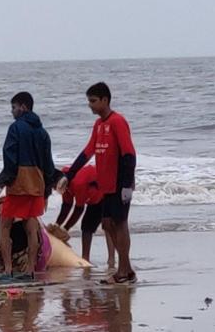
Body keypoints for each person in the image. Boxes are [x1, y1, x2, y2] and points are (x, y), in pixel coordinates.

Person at [57, 82, 136, 284]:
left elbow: (129, 154)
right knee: (107, 224)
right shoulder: (99, 125)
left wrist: (127, 184)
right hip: (105, 185)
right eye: (88, 101)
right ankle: (126, 269)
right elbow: (88, 151)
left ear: (105, 100)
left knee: (120, 224)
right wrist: (70, 175)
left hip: (119, 184)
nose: (90, 105)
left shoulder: (118, 122)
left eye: (93, 101)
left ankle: (124, 271)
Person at [0, 92, 56, 280]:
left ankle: (8, 269)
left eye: (14, 107)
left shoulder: (15, 128)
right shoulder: (43, 133)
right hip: (37, 183)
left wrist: (1, 182)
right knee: (31, 225)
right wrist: (46, 191)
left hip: (19, 183)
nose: (12, 112)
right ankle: (30, 270)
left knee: (4, 225)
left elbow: (10, 158)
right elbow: (49, 165)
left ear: (23, 107)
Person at [56, 164, 115, 267]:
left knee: (103, 225)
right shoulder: (63, 184)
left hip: (106, 192)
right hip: (93, 196)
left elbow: (79, 209)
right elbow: (66, 206)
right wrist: (56, 226)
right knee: (88, 228)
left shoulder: (78, 183)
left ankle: (110, 260)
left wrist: (65, 229)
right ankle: (86, 259)